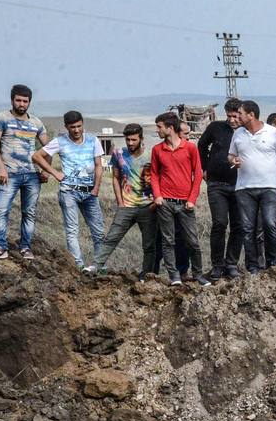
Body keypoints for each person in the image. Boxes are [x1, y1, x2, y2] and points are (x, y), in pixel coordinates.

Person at [33, 110, 105, 271]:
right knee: (72, 230)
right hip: (69, 192)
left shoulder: (93, 140)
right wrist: (54, 172)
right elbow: (37, 156)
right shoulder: (60, 141)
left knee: (98, 231)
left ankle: (100, 266)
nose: (77, 130)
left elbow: (99, 165)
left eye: (79, 126)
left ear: (83, 124)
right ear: (66, 127)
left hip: (90, 191)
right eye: (72, 127)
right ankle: (78, 267)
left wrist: (96, 188)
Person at [0, 84, 48, 261]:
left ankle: (25, 247)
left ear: (29, 102)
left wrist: (46, 170)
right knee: (1, 210)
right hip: (9, 174)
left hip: (32, 175)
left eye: (25, 101)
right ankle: (1, 247)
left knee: (29, 212)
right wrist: (2, 168)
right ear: (12, 100)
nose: (21, 104)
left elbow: (49, 147)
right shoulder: (2, 118)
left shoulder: (36, 122)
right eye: (18, 100)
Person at [229, 100, 276, 273]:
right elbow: (230, 155)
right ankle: (253, 266)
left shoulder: (272, 133)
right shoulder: (238, 134)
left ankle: (273, 261)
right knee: (248, 229)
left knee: (270, 224)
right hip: (244, 188)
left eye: (240, 113)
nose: (237, 117)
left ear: (251, 115)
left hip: (269, 187)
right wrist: (233, 161)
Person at [147, 112, 206, 286]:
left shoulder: (190, 148)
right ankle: (174, 276)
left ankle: (198, 274)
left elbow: (198, 174)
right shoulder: (157, 150)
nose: (157, 130)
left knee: (192, 241)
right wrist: (157, 195)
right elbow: (154, 174)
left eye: (159, 127)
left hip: (185, 204)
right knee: (168, 241)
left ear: (170, 128)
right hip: (165, 203)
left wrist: (192, 199)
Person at [93, 123, 157, 279]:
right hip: (126, 206)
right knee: (111, 238)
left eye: (134, 140)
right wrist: (120, 202)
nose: (130, 143)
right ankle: (95, 267)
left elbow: (158, 178)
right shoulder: (118, 153)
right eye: (128, 139)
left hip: (147, 206)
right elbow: (115, 177)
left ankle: (147, 275)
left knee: (149, 244)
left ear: (141, 139)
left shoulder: (151, 155)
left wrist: (155, 201)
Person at [198, 98, 244, 279]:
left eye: (235, 116)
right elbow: (201, 145)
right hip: (216, 184)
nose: (232, 120)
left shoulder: (246, 131)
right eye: (229, 116)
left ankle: (231, 264)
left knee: (238, 225)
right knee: (219, 223)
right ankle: (217, 265)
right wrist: (204, 167)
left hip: (240, 184)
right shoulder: (215, 127)